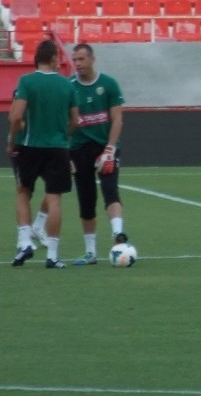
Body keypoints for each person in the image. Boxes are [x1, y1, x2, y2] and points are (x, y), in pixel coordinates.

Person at [30, 43, 128, 264]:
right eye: (74, 60)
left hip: (105, 147)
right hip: (78, 149)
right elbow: (62, 120)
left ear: (92, 59)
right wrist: (64, 152)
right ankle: (91, 252)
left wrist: (110, 150)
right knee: (86, 198)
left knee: (111, 190)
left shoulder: (109, 84)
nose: (77, 64)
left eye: (82, 59)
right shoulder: (69, 86)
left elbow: (117, 119)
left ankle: (118, 237)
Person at [7, 38, 79, 269]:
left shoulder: (26, 81)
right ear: (54, 57)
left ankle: (25, 241)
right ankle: (53, 256)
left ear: (38, 59)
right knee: (55, 198)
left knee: (23, 192)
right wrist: (63, 136)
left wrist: (12, 141)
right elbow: (75, 120)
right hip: (57, 147)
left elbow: (16, 116)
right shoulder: (68, 85)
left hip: (29, 146)